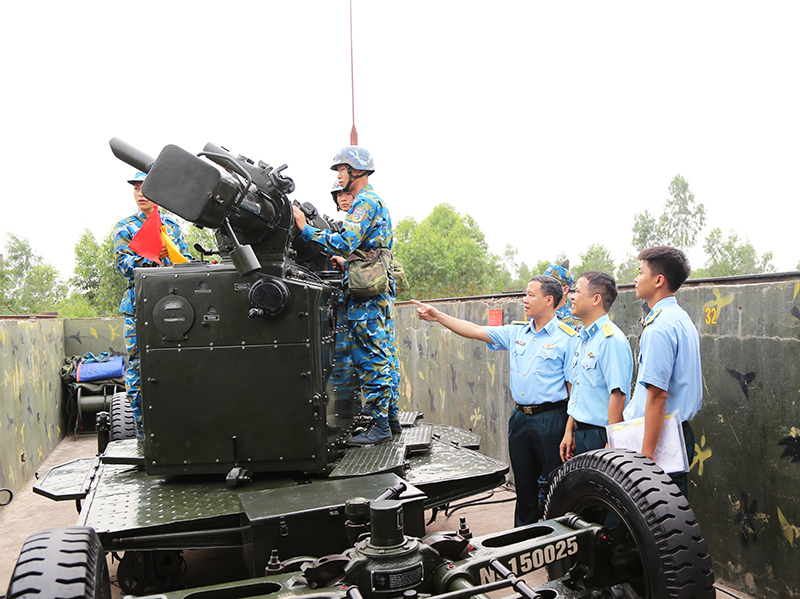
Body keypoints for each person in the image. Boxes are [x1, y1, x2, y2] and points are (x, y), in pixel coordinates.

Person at [410, 275, 576, 526]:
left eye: (531, 294)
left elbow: (573, 389)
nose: (525, 299)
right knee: (524, 486)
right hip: (520, 419)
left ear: (549, 299)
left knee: (558, 486)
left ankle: (561, 542)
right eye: (525, 294)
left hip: (552, 419)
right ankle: (523, 539)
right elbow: (476, 331)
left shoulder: (568, 338)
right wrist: (438, 316)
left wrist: (569, 429)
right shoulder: (517, 332)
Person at [293, 146, 399, 445]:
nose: (339, 175)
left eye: (342, 169)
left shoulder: (363, 203)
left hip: (366, 296)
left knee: (370, 357)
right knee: (385, 354)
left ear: (358, 171)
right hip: (375, 288)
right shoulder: (373, 200)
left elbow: (342, 240)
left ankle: (380, 427)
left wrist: (305, 230)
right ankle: (390, 419)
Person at [114, 171, 192, 438]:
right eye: (135, 188)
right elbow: (124, 267)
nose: (140, 193)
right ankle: (143, 433)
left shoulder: (171, 226)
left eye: (145, 187)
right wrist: (151, 258)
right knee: (138, 368)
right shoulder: (125, 227)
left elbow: (186, 261)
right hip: (140, 308)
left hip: (175, 307)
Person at [623, 246, 702, 496]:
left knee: (655, 519)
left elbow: (657, 397)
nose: (636, 279)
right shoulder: (681, 319)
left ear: (658, 280)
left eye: (640, 272)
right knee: (671, 516)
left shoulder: (660, 328)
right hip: (674, 432)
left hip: (658, 438)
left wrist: (647, 455)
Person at [560, 271, 633, 462]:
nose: (571, 297)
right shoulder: (583, 338)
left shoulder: (610, 339)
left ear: (596, 299)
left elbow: (618, 394)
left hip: (600, 436)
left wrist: (611, 444)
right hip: (580, 431)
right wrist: (570, 430)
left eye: (576, 291)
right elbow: (578, 390)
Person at [544, 261, 582, 330]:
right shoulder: (537, 315)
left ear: (565, 290)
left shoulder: (574, 322)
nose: (544, 288)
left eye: (550, 285)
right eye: (543, 284)